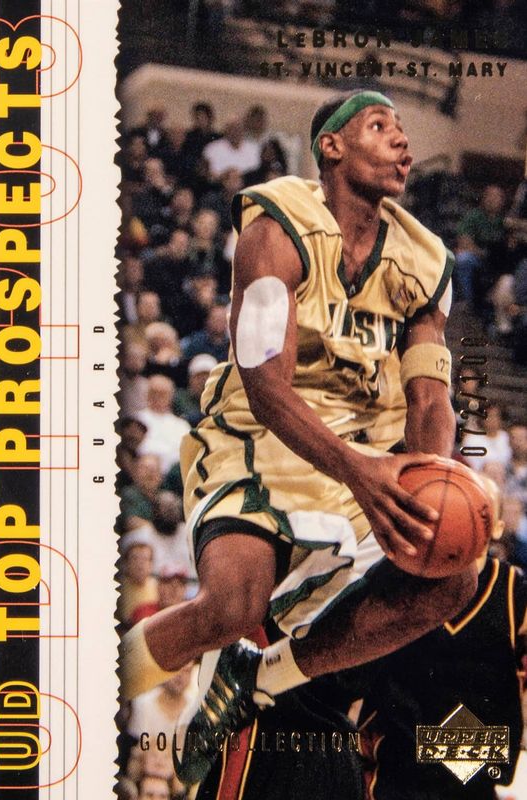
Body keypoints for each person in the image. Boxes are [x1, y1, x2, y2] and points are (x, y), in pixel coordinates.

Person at [120, 90, 476, 784]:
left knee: (450, 578)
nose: (402, 141)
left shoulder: (424, 259)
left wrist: (429, 477)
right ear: (331, 148)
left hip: (362, 453)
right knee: (234, 605)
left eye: (404, 131)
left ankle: (259, 679)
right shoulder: (276, 225)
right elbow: (264, 383)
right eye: (380, 126)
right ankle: (84, 688)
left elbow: (429, 397)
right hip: (260, 434)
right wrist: (358, 472)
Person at [356, 476, 527, 799]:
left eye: (479, 508)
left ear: (497, 528)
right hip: (396, 767)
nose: (462, 512)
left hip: (473, 768)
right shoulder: (396, 577)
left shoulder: (514, 590)